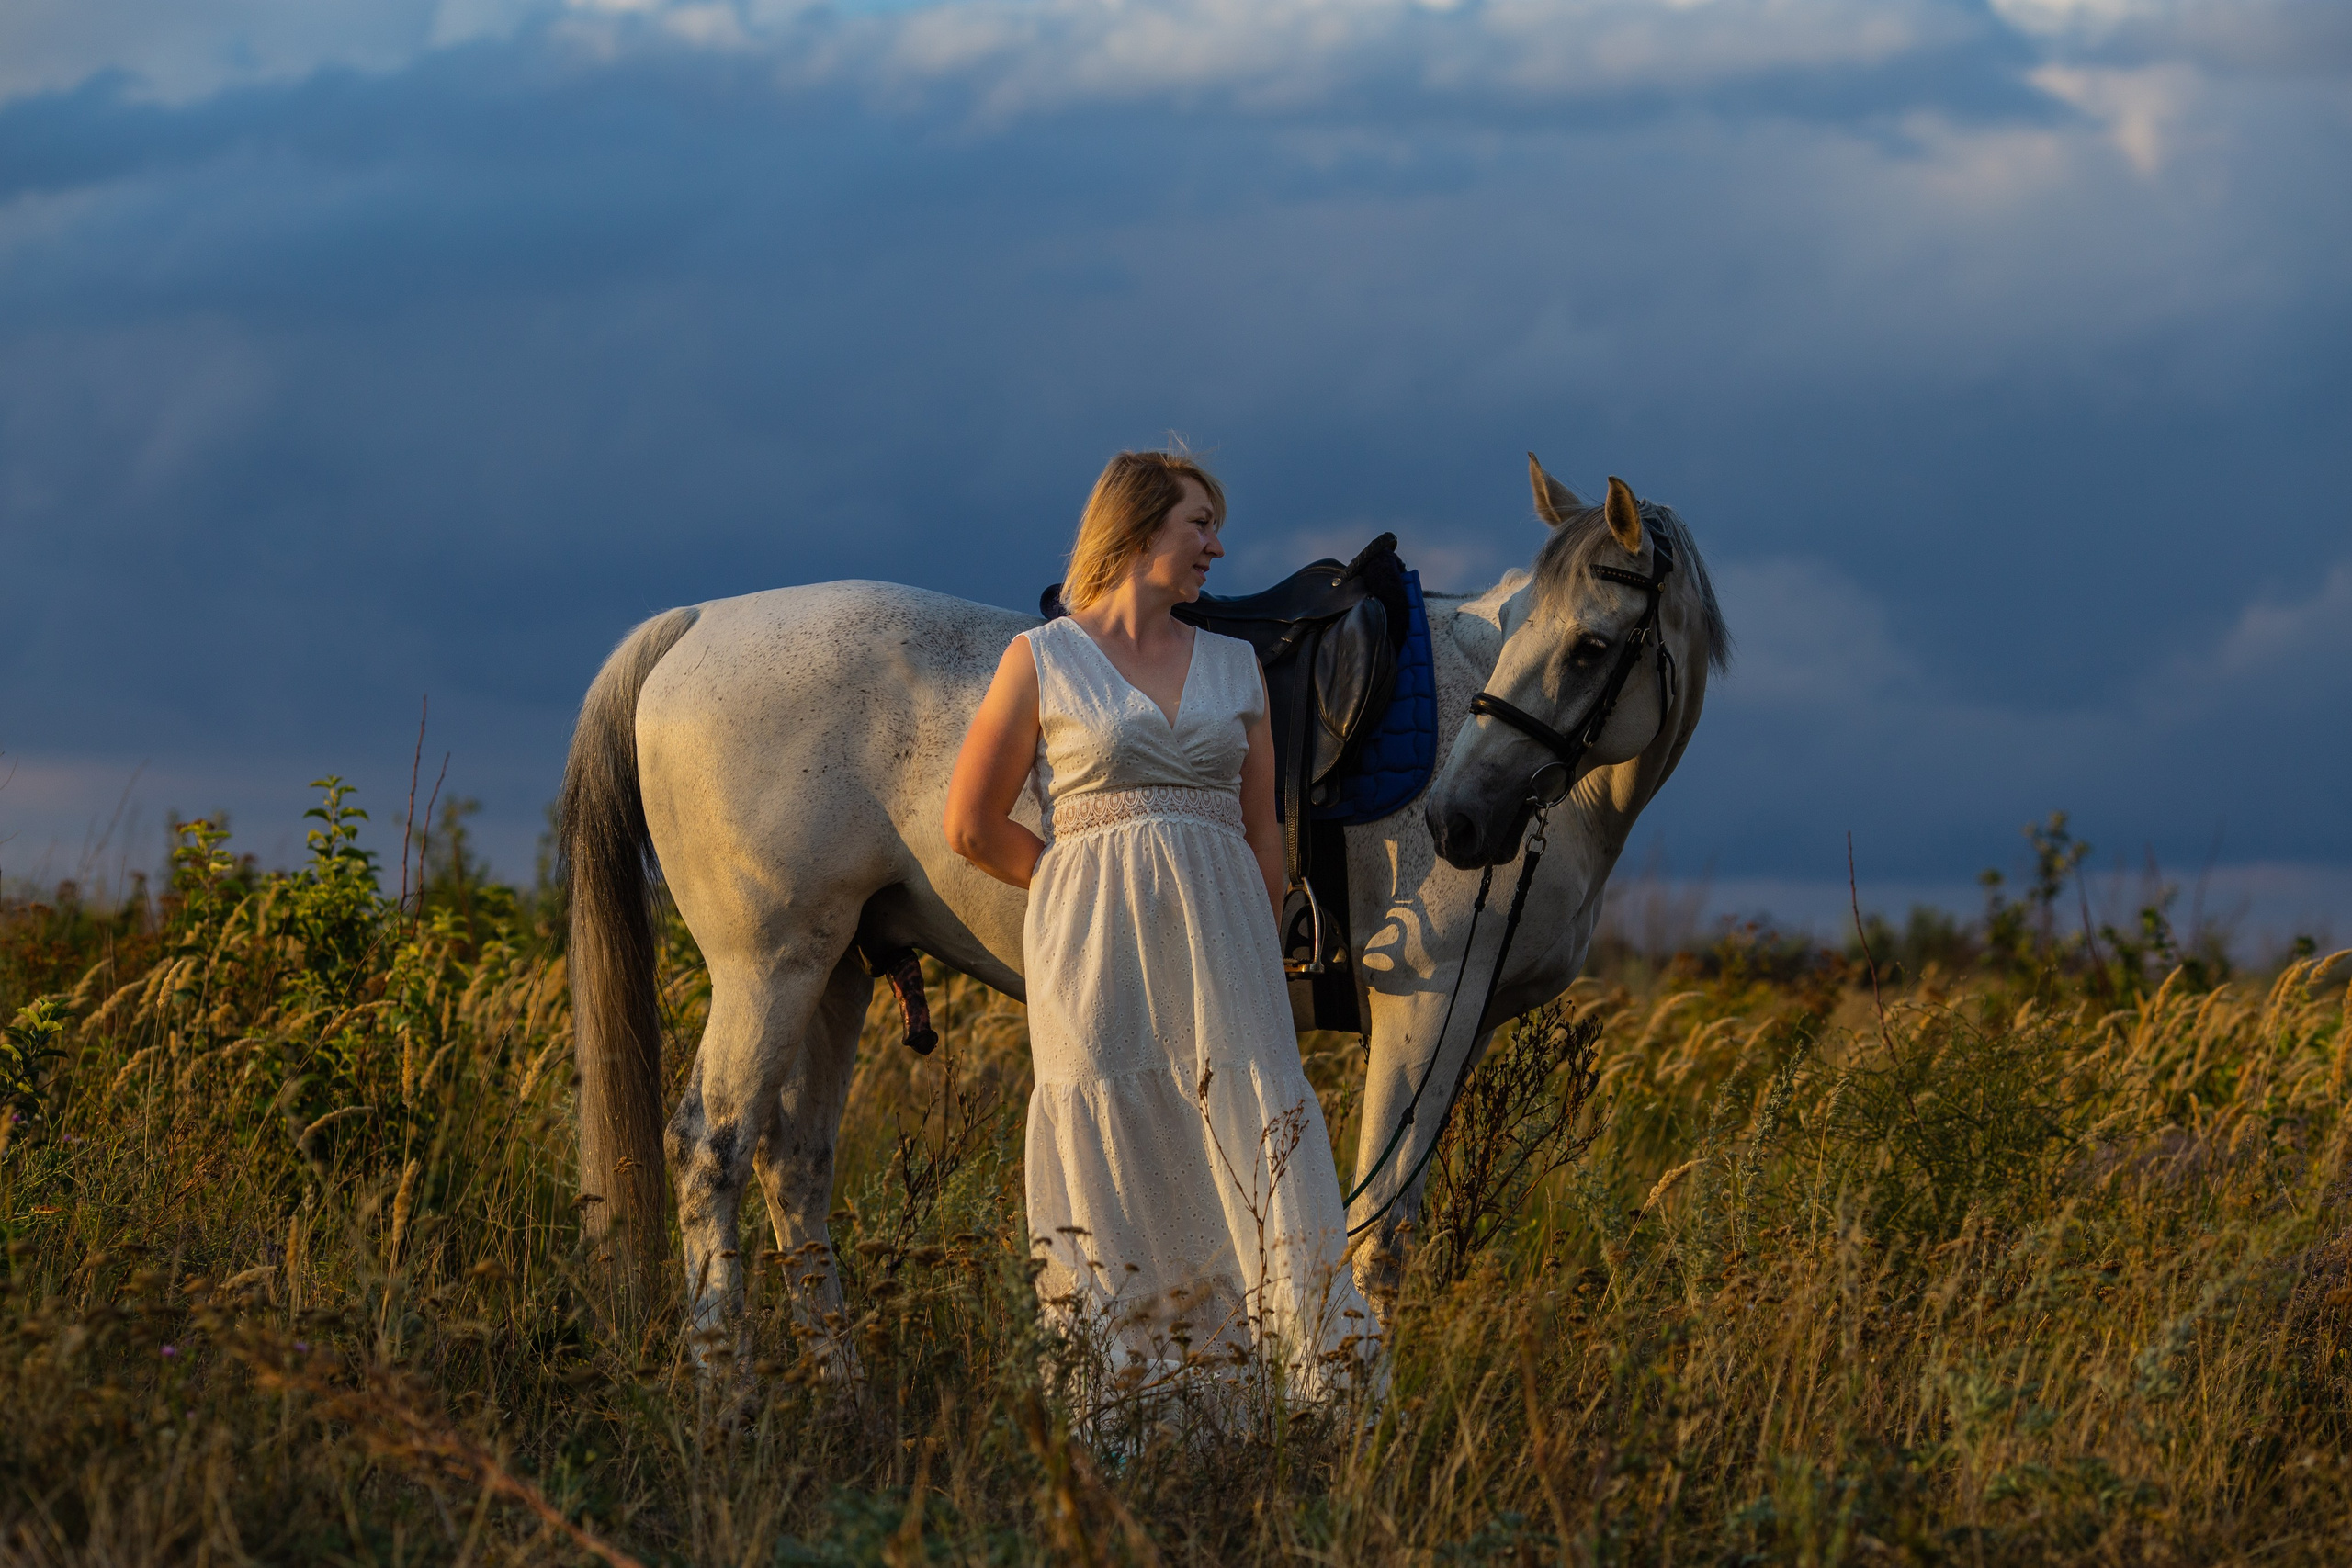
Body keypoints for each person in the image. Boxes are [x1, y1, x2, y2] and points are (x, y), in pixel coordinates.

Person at [944, 449, 1374, 1390]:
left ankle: (1282, 1382)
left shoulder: (1236, 666)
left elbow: (1263, 834)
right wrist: (1074, 878)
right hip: (1090, 941)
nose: (1217, 547)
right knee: (1112, 1128)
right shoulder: (1041, 660)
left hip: (1224, 935)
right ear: (1137, 531)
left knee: (1240, 1126)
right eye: (1200, 525)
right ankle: (1132, 1393)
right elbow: (971, 825)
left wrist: (1259, 947)